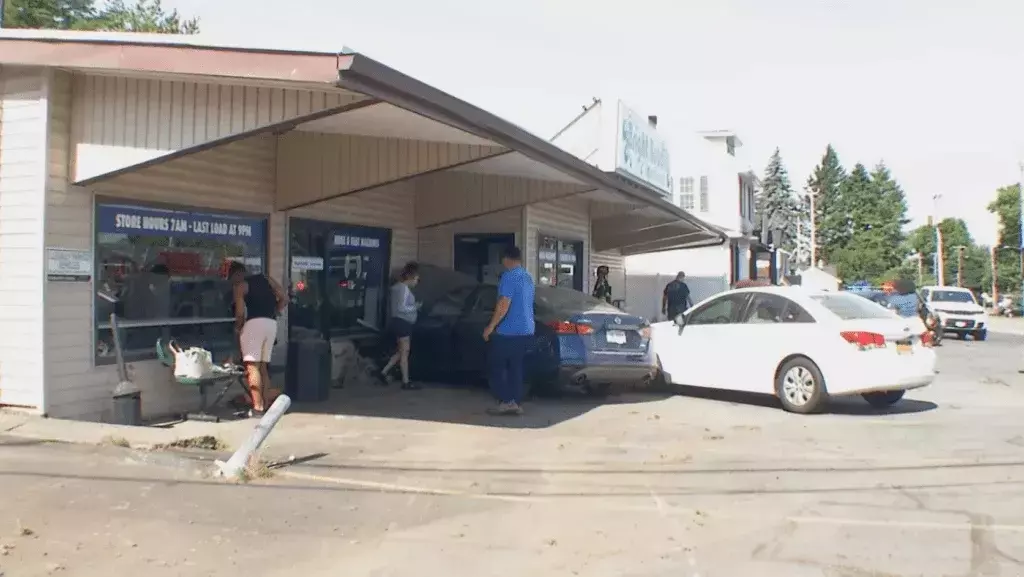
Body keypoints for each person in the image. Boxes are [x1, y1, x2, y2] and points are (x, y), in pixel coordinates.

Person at [229, 261, 287, 417]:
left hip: (253, 324)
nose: (232, 280)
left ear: (237, 274)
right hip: (271, 324)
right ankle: (266, 404)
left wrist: (238, 328)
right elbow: (284, 297)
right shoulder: (267, 279)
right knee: (263, 367)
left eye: (232, 277)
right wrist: (276, 310)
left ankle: (257, 408)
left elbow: (240, 313)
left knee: (252, 367)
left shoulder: (241, 286)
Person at [482, 245, 535, 416]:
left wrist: (490, 327)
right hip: (527, 329)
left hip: (509, 330)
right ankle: (515, 401)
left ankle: (506, 400)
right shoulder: (527, 277)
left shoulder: (509, 276)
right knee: (516, 367)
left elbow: (504, 304)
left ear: (506, 259)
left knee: (495, 365)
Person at [380, 262, 422, 390]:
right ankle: (406, 381)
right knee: (405, 353)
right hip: (403, 323)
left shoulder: (396, 288)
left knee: (401, 351)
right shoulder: (403, 289)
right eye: (416, 279)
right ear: (410, 277)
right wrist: (415, 307)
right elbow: (402, 307)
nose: (417, 282)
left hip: (396, 322)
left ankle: (383, 372)